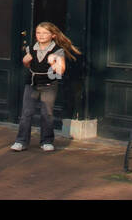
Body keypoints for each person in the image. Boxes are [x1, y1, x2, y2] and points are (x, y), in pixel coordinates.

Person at [10, 21, 80, 153]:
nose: (41, 35)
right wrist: (25, 62)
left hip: (49, 85)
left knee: (46, 113)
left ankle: (47, 141)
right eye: (38, 33)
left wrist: (53, 62)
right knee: (26, 113)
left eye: (45, 33)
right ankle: (21, 141)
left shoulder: (57, 50)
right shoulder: (30, 48)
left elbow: (60, 71)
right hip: (32, 84)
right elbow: (29, 65)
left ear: (53, 35)